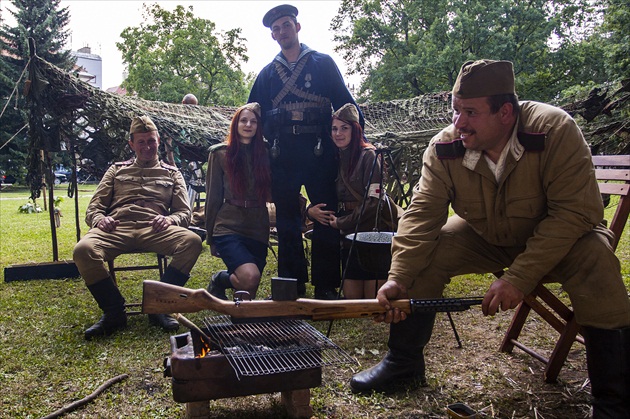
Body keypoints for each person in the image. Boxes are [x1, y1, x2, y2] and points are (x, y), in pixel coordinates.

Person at [349, 60, 630, 417]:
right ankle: (403, 363)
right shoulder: (445, 147)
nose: (458, 122)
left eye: (470, 112)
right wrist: (397, 278)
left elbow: (573, 213)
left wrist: (518, 278)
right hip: (487, 236)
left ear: (506, 112)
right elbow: (421, 215)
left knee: (597, 260)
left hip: (562, 238)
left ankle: (614, 402)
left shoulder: (554, 129)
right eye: (455, 111)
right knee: (427, 253)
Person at [248, 4, 364, 299]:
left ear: (297, 27)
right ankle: (292, 283)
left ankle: (325, 285)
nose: (281, 32)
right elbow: (252, 113)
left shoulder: (322, 63)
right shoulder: (265, 75)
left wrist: (358, 141)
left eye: (286, 25)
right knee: (287, 218)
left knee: (324, 214)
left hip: (319, 151)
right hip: (281, 154)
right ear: (272, 35)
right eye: (276, 29)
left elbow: (347, 105)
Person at [73, 115, 203, 340]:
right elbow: (94, 208)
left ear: (158, 141)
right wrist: (100, 220)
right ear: (131, 144)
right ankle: (114, 312)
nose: (147, 146)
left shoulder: (172, 173)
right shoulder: (116, 170)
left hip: (155, 228)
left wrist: (170, 220)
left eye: (151, 141)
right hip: (117, 228)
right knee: (83, 250)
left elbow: (185, 213)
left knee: (192, 242)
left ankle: (159, 306)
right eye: (141, 142)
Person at [307, 103, 391, 299]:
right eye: (334, 129)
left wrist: (342, 223)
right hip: (348, 238)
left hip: (370, 232)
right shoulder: (335, 157)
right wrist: (310, 209)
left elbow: (374, 202)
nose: (338, 133)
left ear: (355, 130)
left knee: (372, 300)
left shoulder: (369, 156)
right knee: (352, 298)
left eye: (344, 128)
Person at [205, 103, 272, 300]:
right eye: (243, 120)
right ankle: (219, 279)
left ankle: (239, 321)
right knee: (250, 276)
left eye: (253, 121)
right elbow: (213, 198)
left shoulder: (267, 153)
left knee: (246, 292)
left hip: (258, 226)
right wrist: (211, 237)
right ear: (236, 124)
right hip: (228, 225)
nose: (248, 125)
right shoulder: (219, 154)